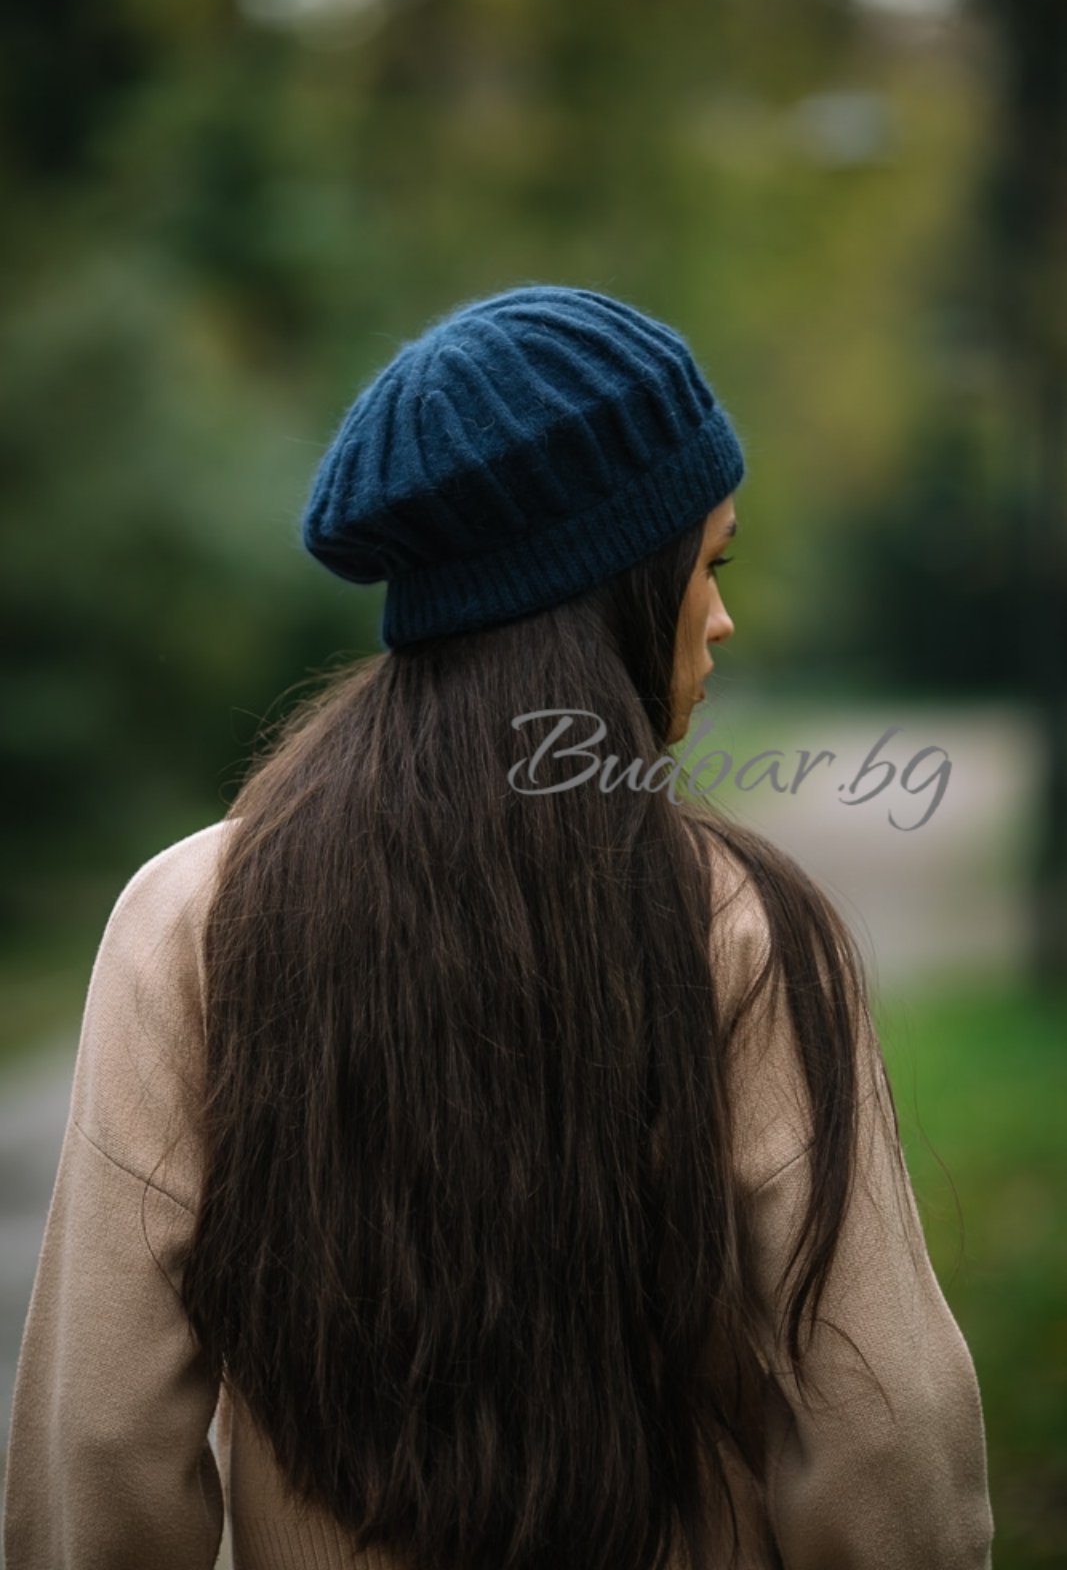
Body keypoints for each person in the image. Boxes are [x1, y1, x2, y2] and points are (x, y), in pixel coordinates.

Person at [3, 285, 994, 1570]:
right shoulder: (744, 931)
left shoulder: (190, 917)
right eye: (709, 566)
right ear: (607, 585)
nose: (721, 617)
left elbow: (102, 1443)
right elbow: (886, 1433)